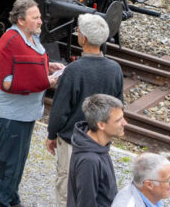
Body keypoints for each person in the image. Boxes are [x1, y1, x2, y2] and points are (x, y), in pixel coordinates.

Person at [0, 0, 65, 207]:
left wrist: (47, 66)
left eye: (40, 16)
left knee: (18, 159)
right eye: (36, 17)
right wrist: (45, 81)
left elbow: (26, 63)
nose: (41, 21)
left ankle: (12, 198)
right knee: (9, 161)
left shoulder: (30, 37)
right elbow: (8, 81)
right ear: (21, 20)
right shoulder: (10, 40)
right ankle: (4, 202)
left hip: (26, 111)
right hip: (12, 113)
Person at [46, 14, 124, 207]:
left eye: (79, 31)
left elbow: (60, 109)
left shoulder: (74, 70)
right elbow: (118, 104)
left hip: (73, 140)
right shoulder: (115, 69)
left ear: (84, 39)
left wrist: (51, 133)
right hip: (100, 141)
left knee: (67, 187)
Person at [67, 93, 126, 207]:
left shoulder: (98, 145)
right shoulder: (89, 160)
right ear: (101, 125)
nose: (125, 123)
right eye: (118, 120)